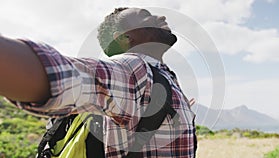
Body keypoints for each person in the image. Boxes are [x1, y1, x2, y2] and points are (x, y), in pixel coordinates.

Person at [0, 7, 196, 157]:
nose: (161, 17)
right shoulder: (135, 69)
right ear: (126, 37)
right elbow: (59, 74)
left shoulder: (159, 77)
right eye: (146, 16)